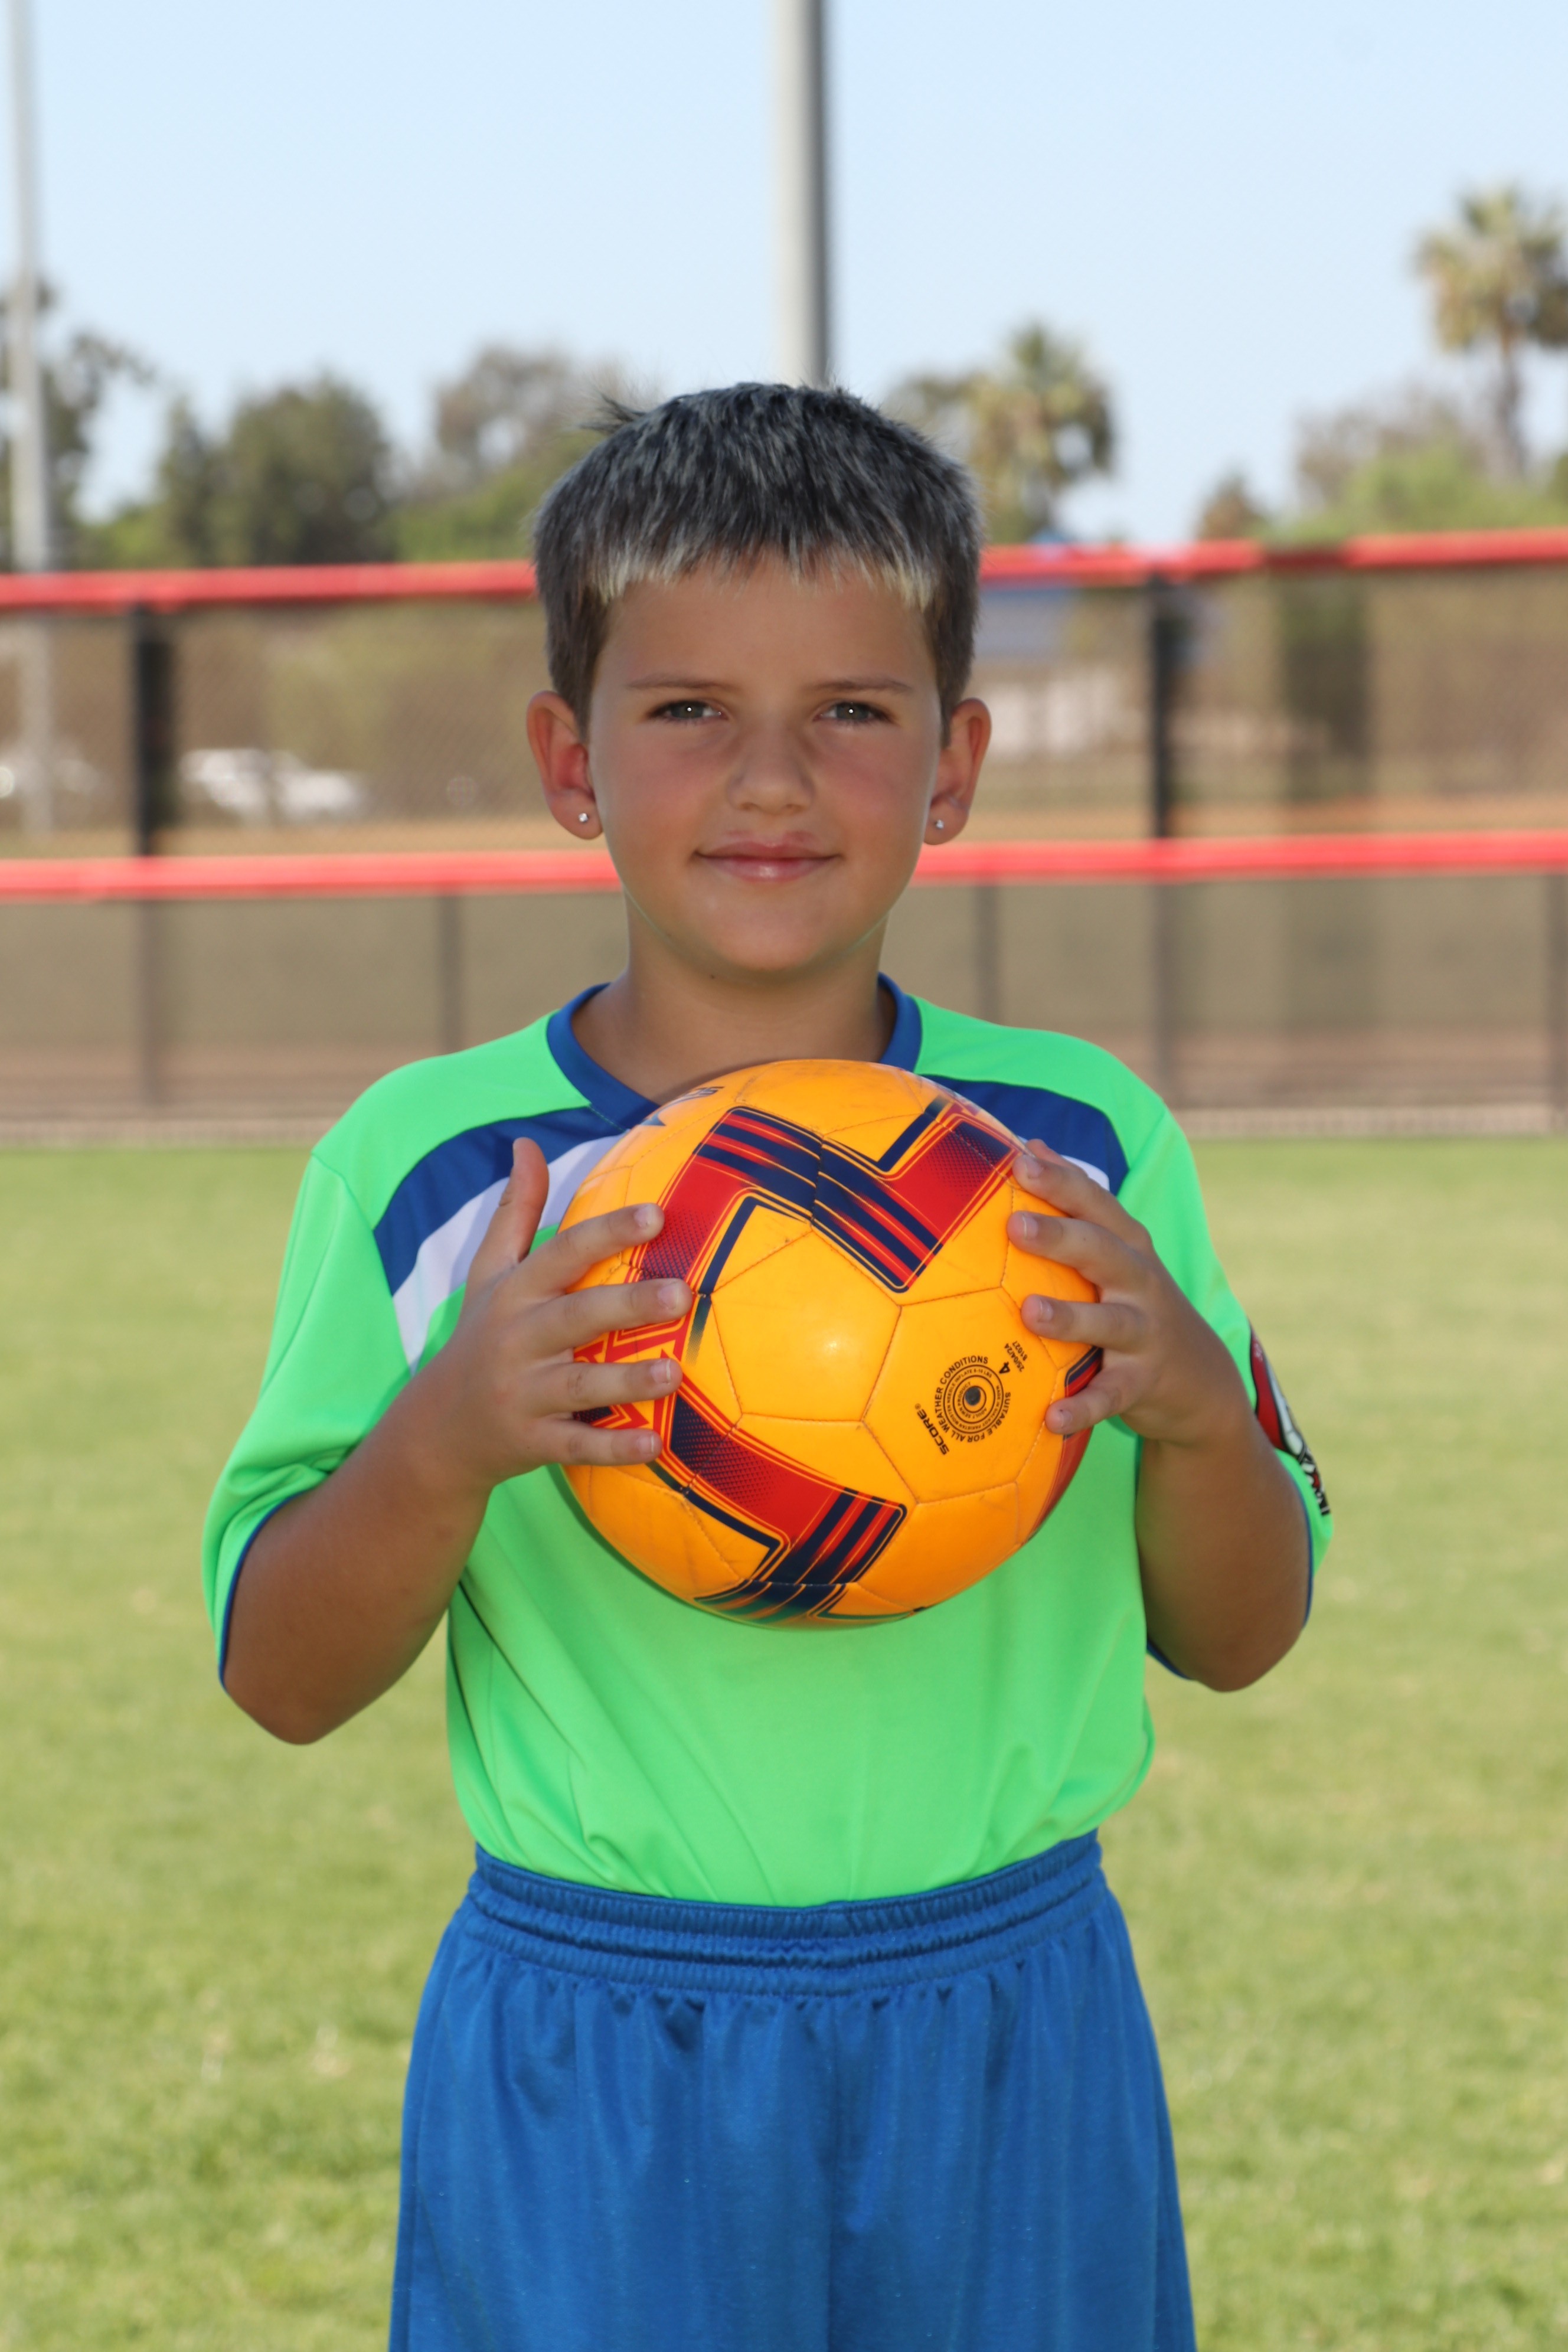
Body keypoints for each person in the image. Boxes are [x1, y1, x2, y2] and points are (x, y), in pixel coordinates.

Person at [204, 383, 1331, 2352]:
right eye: (688, 710)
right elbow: (280, 1678)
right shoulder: (434, 1173)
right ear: (571, 760)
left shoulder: (1075, 1152)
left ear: (954, 765)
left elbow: (1244, 1634)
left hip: (1010, 2015)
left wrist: (1188, 1421)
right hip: (597, 2033)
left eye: (853, 711)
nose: (773, 780)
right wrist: (446, 1441)